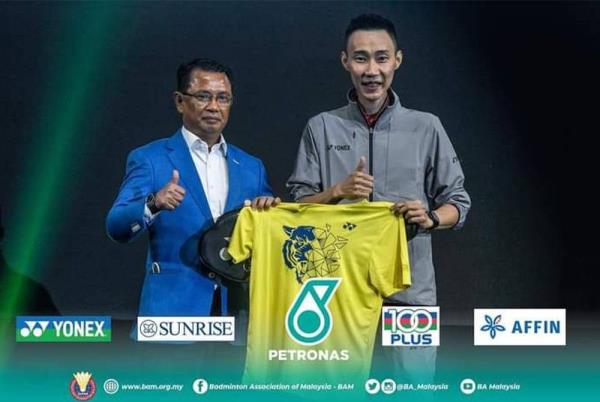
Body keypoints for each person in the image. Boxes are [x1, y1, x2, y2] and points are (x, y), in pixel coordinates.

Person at [286, 14, 471, 381]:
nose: (372, 70)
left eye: (381, 58)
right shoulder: (321, 126)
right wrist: (337, 192)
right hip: (337, 293)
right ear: (345, 62)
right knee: (337, 389)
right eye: (361, 58)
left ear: (397, 60)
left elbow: (458, 202)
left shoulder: (426, 126)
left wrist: (431, 217)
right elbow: (297, 209)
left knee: (415, 387)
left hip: (411, 291)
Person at [106, 58, 278, 332]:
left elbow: (267, 238)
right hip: (172, 317)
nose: (214, 106)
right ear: (179, 101)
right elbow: (117, 227)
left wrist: (269, 214)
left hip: (237, 317)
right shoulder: (150, 158)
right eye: (203, 96)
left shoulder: (251, 167)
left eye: (223, 98)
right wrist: (153, 203)